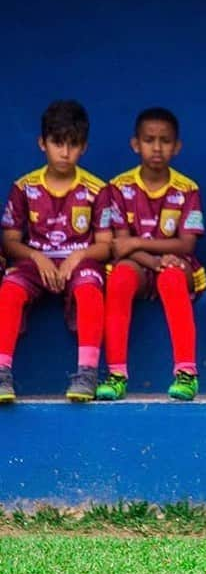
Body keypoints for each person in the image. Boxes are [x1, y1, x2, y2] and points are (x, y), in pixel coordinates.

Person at [0, 99, 111, 402]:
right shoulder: (24, 187)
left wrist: (78, 256)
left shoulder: (97, 189)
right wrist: (37, 256)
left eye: (73, 144)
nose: (65, 152)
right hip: (36, 262)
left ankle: (87, 373)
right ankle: (2, 372)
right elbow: (9, 241)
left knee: (89, 288)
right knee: (9, 288)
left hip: (80, 263)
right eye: (57, 143)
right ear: (42, 143)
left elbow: (105, 245)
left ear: (84, 148)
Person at [95, 108, 206, 401]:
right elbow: (120, 246)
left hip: (175, 265)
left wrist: (139, 247)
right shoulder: (118, 187)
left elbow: (186, 245)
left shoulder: (187, 188)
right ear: (135, 144)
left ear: (177, 146)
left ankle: (186, 373)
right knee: (119, 278)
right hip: (138, 265)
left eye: (165, 140)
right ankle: (116, 374)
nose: (157, 148)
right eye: (149, 140)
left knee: (171, 280)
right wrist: (154, 260)